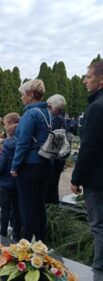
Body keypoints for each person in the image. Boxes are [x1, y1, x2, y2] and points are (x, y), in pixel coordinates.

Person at [10, 79, 52, 241]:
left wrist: (15, 166)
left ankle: (26, 246)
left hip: (30, 166)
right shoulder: (46, 112)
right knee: (39, 205)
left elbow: (23, 143)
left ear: (30, 95)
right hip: (44, 163)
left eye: (23, 95)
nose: (21, 98)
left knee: (27, 207)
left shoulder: (30, 114)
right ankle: (41, 242)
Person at [71, 61, 103, 271]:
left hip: (98, 181)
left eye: (88, 76)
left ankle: (99, 268)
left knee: (99, 227)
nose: (84, 81)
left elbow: (89, 148)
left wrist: (76, 178)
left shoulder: (96, 108)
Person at [0, 112, 21, 241]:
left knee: (4, 210)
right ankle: (17, 235)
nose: (4, 127)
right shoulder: (23, 142)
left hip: (5, 183)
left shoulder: (7, 145)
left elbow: (0, 165)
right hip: (18, 183)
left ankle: (3, 234)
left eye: (5, 124)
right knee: (16, 210)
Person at [45, 94, 67, 204]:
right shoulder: (59, 118)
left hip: (55, 160)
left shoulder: (58, 120)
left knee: (51, 187)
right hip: (57, 159)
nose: (47, 109)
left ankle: (51, 208)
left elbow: (54, 144)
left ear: (55, 107)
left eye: (49, 106)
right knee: (52, 186)